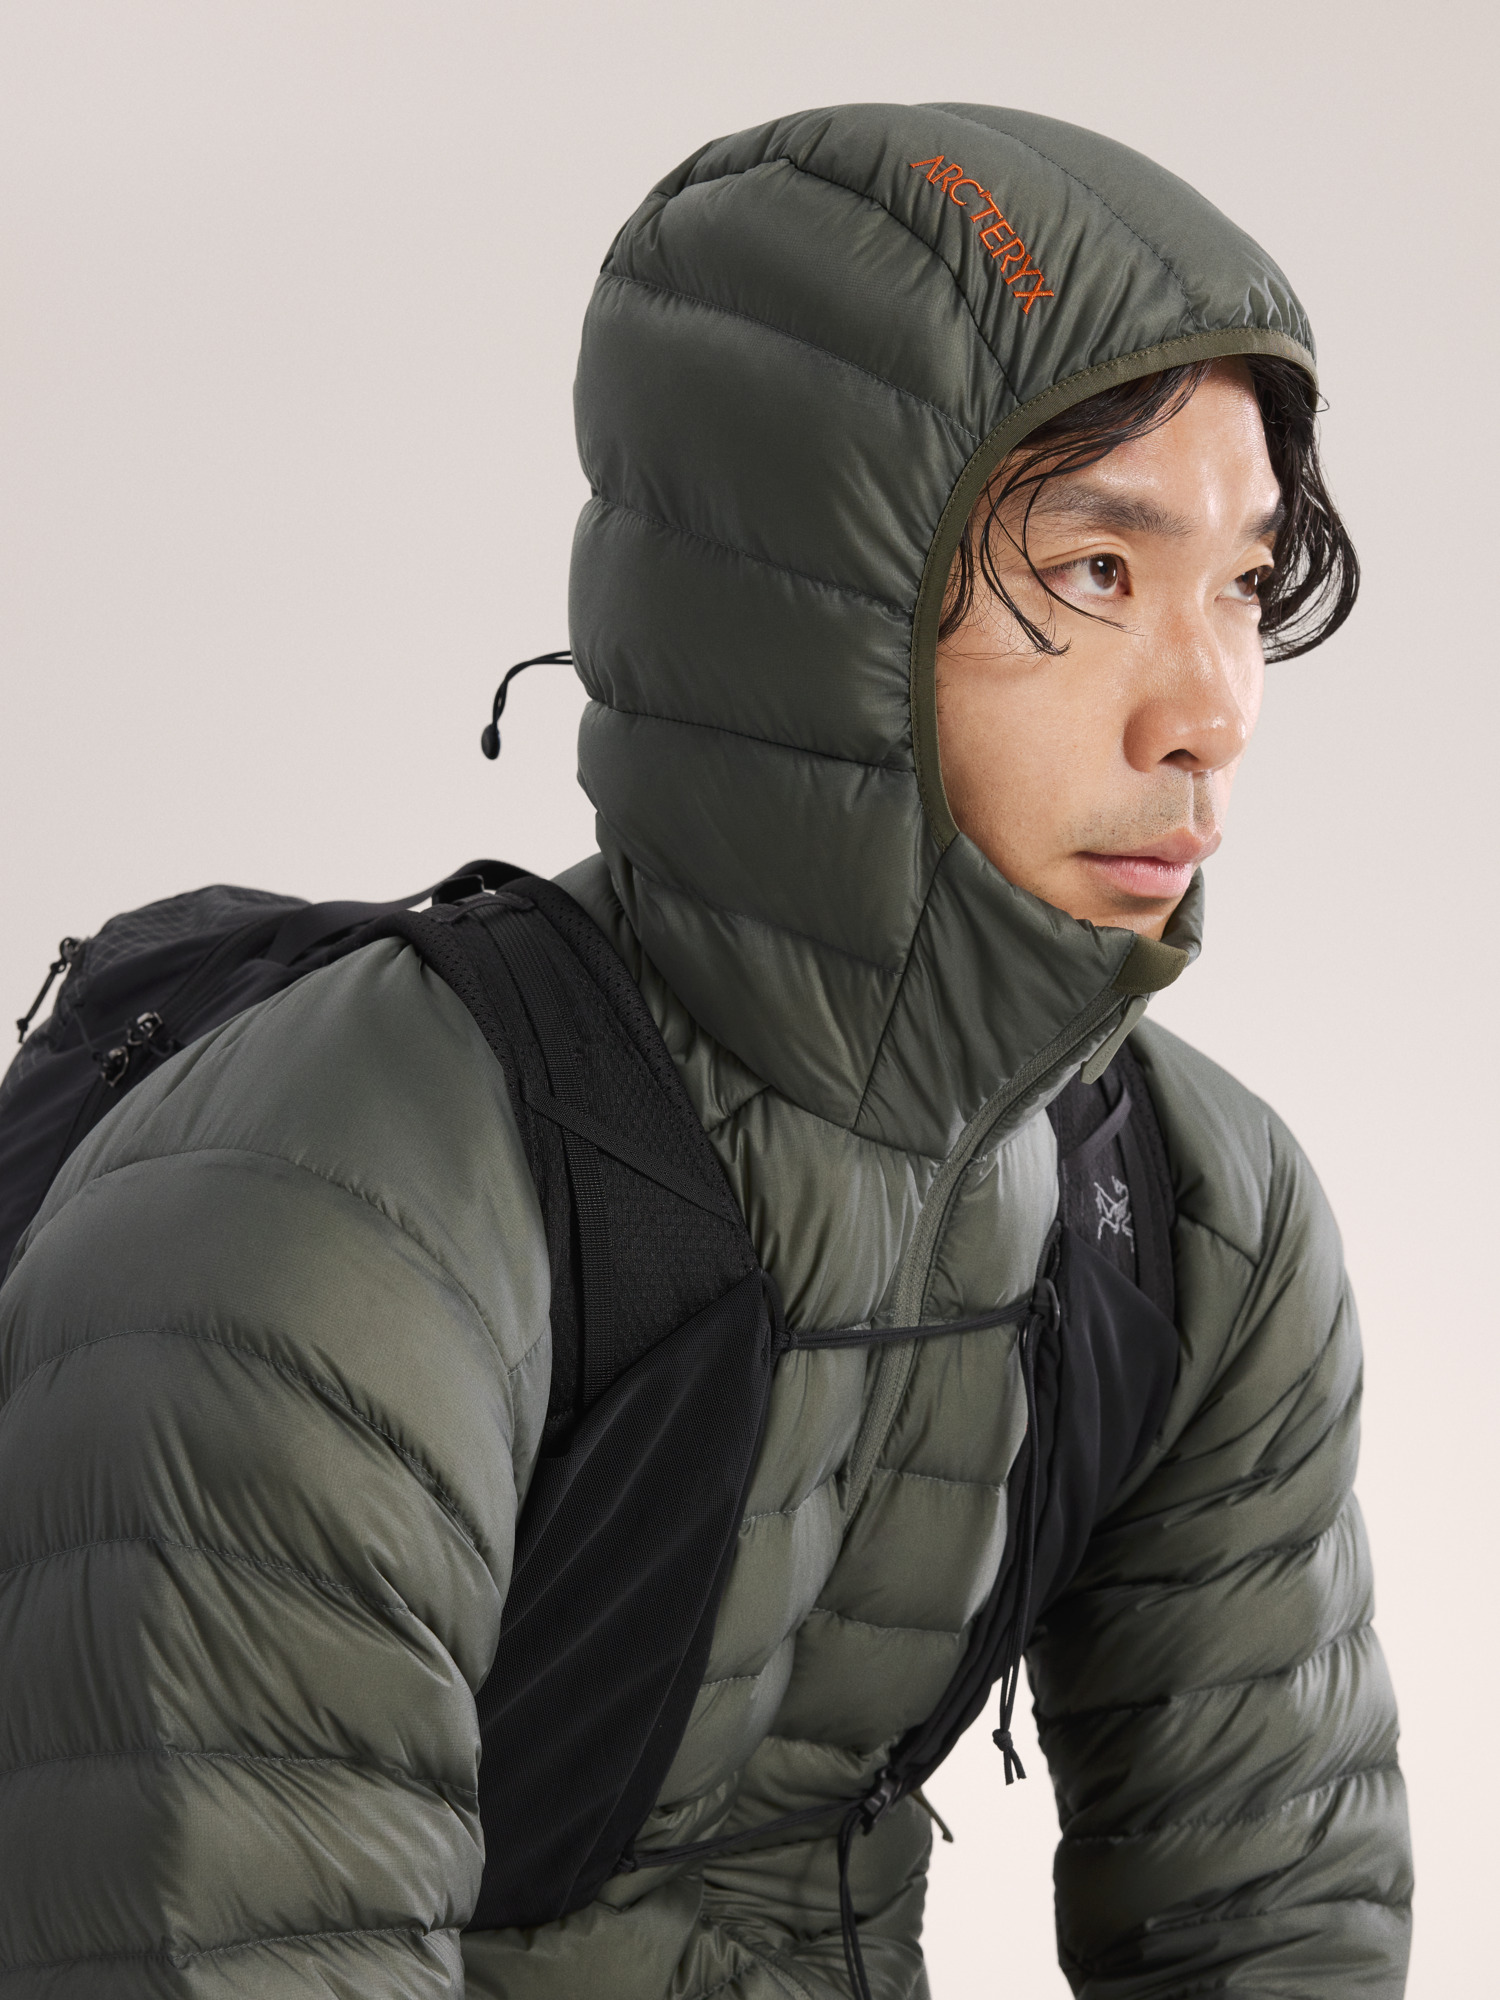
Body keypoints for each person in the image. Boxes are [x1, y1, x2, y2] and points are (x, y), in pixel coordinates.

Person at [0, 104, 1411, 1998]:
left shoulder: (1188, 1218)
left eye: (1240, 582)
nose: (1212, 709)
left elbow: (1278, 1931)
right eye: (1095, 572)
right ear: (812, 600)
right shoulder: (332, 1225)